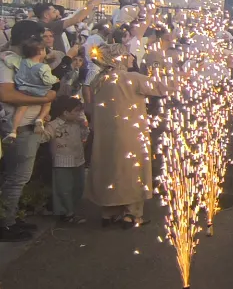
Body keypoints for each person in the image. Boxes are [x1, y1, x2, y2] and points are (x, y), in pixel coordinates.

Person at [84, 43, 171, 228]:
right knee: (132, 171)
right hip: (130, 134)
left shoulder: (99, 80)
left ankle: (109, 212)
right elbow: (163, 88)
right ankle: (131, 214)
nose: (132, 58)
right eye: (129, 55)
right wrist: (158, 68)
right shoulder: (131, 78)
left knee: (109, 170)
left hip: (105, 136)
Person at [0, 21, 57, 242]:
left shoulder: (22, 61)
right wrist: (44, 98)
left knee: (18, 177)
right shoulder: (7, 62)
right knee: (16, 178)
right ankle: (6, 224)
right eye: (40, 38)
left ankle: (11, 217)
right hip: (19, 128)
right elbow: (6, 94)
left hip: (29, 125)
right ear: (27, 39)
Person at [39, 96, 88, 224]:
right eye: (76, 111)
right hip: (62, 161)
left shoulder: (77, 124)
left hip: (78, 160)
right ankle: (67, 213)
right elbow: (43, 138)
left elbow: (84, 136)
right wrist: (41, 124)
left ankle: (72, 209)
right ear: (65, 112)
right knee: (63, 188)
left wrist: (84, 126)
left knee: (78, 186)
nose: (79, 114)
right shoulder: (53, 125)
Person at [2, 38, 57, 141]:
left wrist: (4, 55)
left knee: (21, 109)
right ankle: (40, 119)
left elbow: (9, 61)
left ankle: (13, 131)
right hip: (38, 91)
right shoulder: (43, 67)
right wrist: (55, 79)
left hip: (23, 89)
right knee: (47, 103)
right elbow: (47, 80)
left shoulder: (21, 61)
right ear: (40, 51)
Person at [32, 0, 101, 54]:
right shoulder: (51, 26)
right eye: (54, 12)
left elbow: (74, 16)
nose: (57, 14)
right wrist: (92, 5)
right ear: (46, 15)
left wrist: (87, 5)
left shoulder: (40, 25)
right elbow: (76, 19)